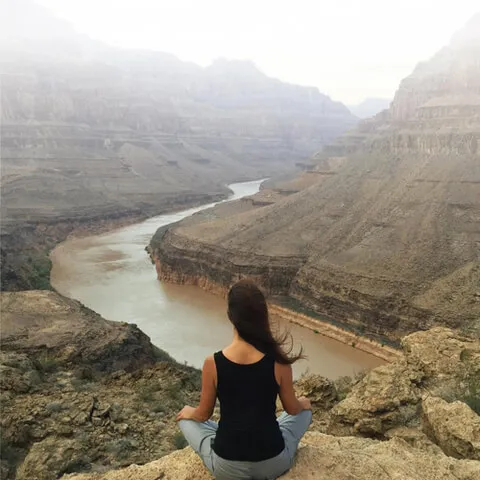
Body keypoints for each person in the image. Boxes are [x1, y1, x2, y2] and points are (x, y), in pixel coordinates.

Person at [177, 279, 312, 480]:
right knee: (304, 413)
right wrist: (303, 403)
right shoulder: (278, 361)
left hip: (227, 469)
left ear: (230, 315)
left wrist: (190, 412)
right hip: (273, 464)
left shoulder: (212, 363)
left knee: (187, 422)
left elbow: (203, 415)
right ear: (263, 315)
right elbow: (293, 410)